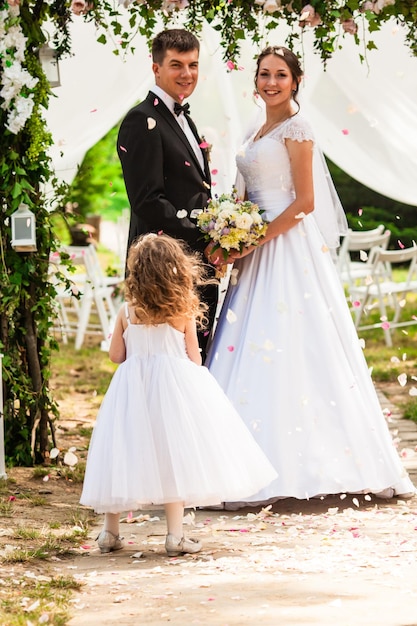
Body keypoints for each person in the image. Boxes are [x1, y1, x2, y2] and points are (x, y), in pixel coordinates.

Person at [206, 46, 415, 508]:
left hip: (285, 246)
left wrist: (254, 239)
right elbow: (242, 192)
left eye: (281, 75)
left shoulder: (298, 129)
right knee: (248, 342)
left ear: (295, 81)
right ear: (255, 80)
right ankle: (233, 463)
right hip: (251, 246)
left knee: (293, 341)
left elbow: (305, 202)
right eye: (264, 74)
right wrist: (228, 232)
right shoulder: (251, 128)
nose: (271, 82)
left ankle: (311, 463)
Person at [80, 233, 277, 555]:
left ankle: (108, 532)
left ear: (137, 272)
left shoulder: (127, 312)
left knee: (122, 452)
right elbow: (195, 358)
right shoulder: (181, 311)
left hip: (132, 390)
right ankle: (174, 536)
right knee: (174, 455)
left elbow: (116, 356)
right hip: (172, 389)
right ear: (176, 270)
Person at [117, 28, 221, 360]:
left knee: (193, 369)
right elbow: (147, 201)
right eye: (176, 64)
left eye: (193, 65)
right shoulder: (140, 120)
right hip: (162, 271)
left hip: (195, 266)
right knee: (162, 371)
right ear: (156, 68)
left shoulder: (185, 118)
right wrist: (206, 235)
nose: (187, 74)